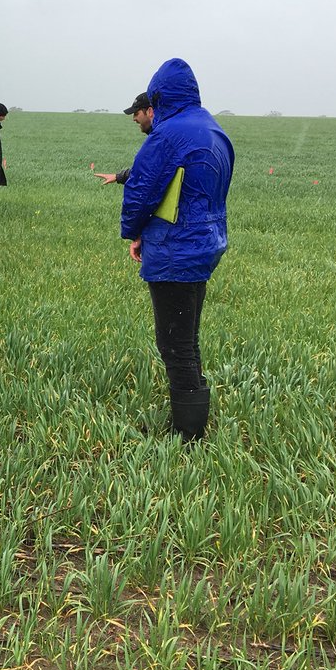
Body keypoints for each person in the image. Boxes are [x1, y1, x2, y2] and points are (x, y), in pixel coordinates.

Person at [120, 59, 233, 442]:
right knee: (187, 337)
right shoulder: (214, 129)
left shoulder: (167, 135)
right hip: (206, 244)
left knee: (175, 344)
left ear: (160, 97)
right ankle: (190, 419)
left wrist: (133, 232)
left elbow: (141, 190)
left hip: (175, 250)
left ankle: (189, 435)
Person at [93, 92, 153, 185]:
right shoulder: (159, 135)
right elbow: (146, 170)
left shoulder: (161, 139)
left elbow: (150, 172)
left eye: (136, 113)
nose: (134, 118)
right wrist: (118, 177)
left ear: (150, 111)